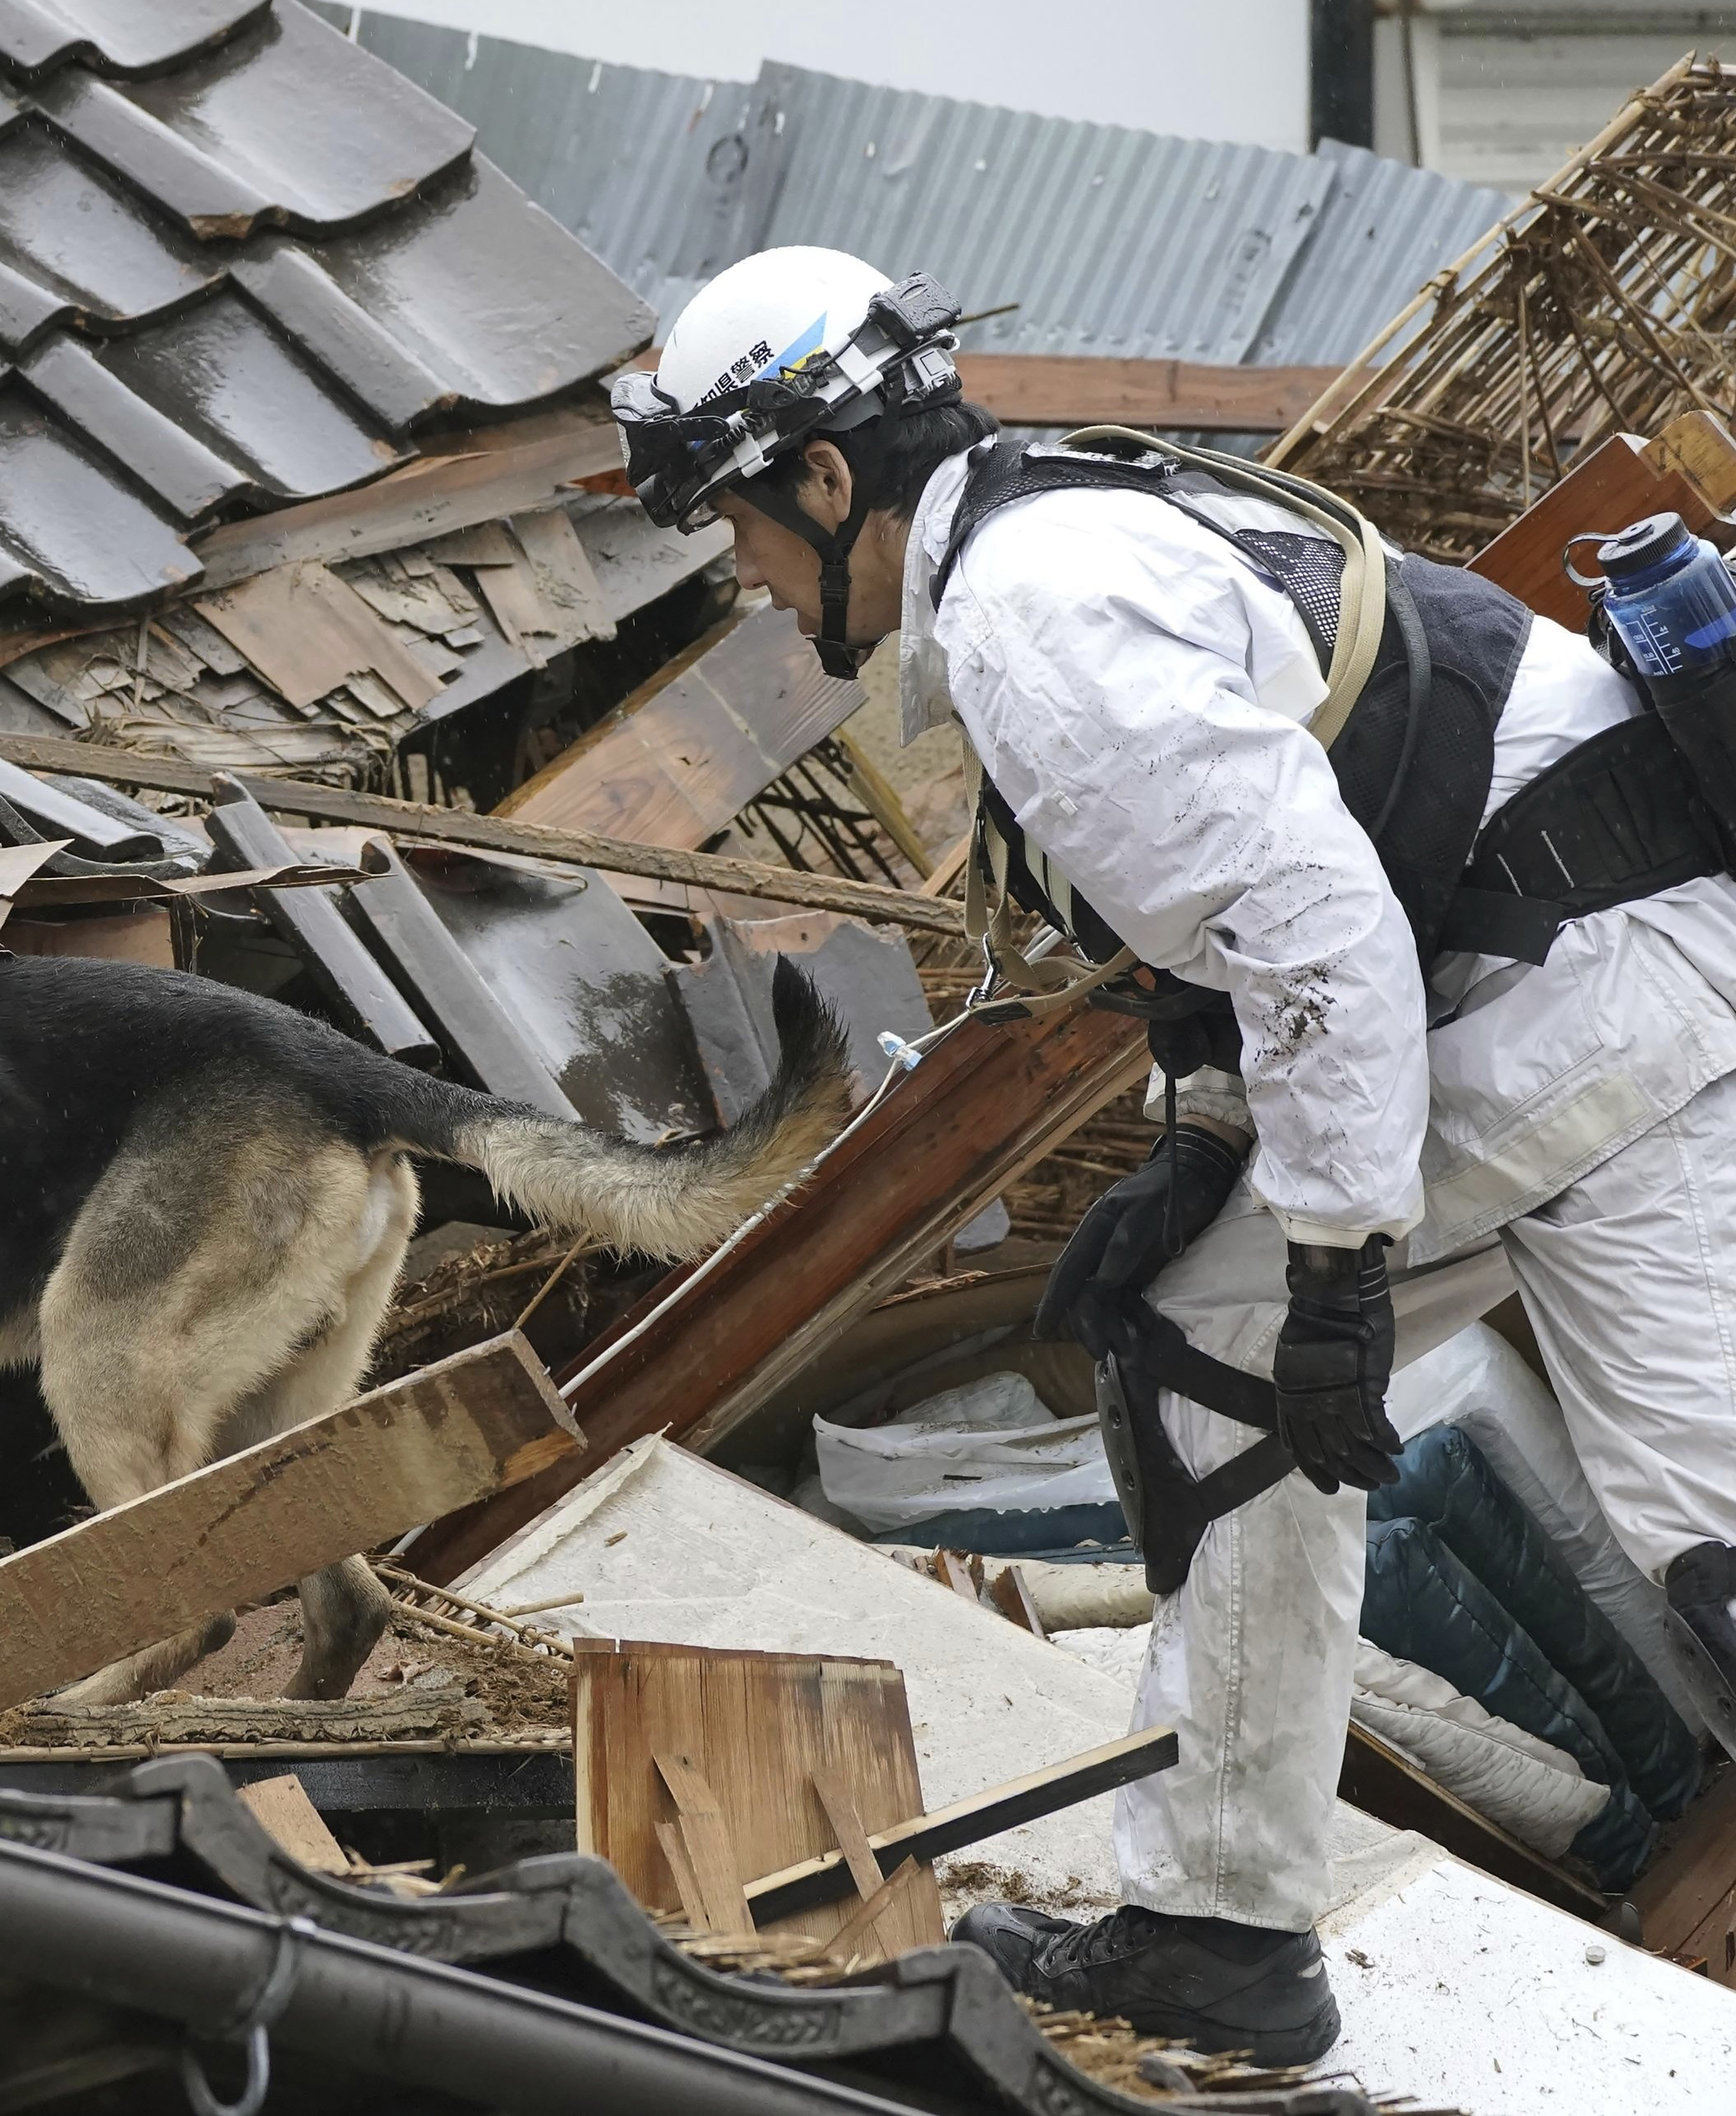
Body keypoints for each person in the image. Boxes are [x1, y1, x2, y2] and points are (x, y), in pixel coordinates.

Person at [612, 246, 1736, 2064]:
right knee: (1660, 1509)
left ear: (823, 480)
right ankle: (1218, 1932)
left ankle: (1218, 1934)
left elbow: (1319, 938)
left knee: (1243, 1365)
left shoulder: (1035, 620)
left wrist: (1336, 1263)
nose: (744, 578)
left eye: (739, 524)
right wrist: (1222, 1148)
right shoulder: (1078, 514)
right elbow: (1299, 903)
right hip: (1613, 979)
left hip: (1580, 995)